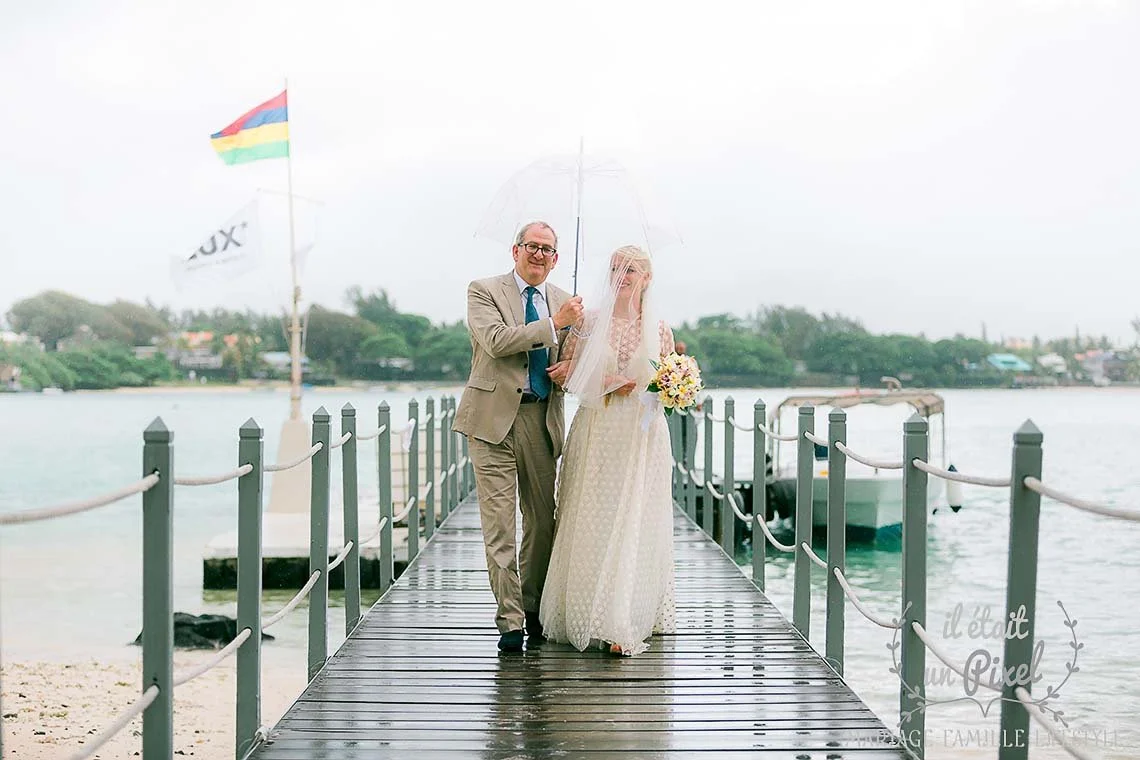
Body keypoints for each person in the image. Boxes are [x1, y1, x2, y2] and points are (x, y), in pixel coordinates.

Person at [539, 244, 676, 656]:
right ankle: (586, 613)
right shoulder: (589, 322)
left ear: (646, 278)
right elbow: (565, 376)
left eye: (630, 270)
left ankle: (625, 618)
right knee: (593, 515)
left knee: (636, 516)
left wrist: (673, 389)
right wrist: (608, 381)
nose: (622, 276)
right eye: (616, 268)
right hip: (599, 428)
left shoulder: (660, 329)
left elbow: (667, 382)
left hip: (643, 434)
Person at [453, 221, 584, 653]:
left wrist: (570, 367)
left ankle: (533, 608)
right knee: (500, 526)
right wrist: (554, 323)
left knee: (543, 522)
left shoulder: (567, 302)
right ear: (515, 250)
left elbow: (576, 359)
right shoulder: (484, 291)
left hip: (540, 420)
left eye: (547, 249)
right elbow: (496, 342)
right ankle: (509, 622)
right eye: (532, 246)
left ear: (556, 259)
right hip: (490, 422)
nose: (539, 255)